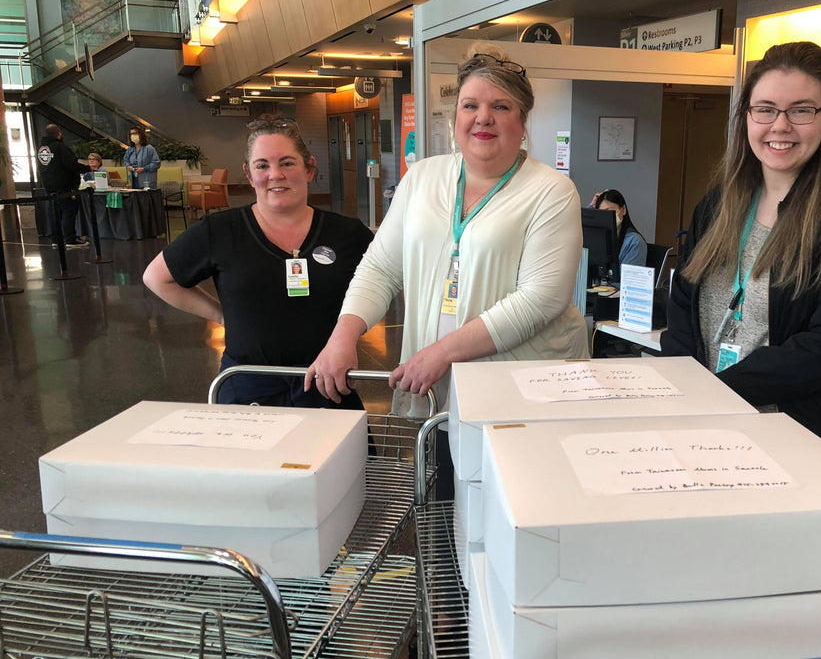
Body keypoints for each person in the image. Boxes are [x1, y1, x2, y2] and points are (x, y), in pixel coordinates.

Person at [306, 43, 589, 418]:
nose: (482, 118)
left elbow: (540, 299)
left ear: (523, 122)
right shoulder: (424, 177)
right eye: (470, 105)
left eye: (500, 107)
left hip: (522, 389)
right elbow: (381, 267)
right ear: (456, 115)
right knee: (440, 471)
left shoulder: (550, 190)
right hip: (437, 383)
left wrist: (442, 352)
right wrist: (343, 335)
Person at [661, 41, 821, 472]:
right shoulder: (719, 204)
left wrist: (717, 390)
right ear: (746, 115)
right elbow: (683, 305)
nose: (779, 126)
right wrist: (686, 387)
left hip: (807, 433)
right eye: (765, 109)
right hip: (716, 420)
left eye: (801, 110)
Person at [142, 117, 374, 409]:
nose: (275, 174)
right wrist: (221, 314)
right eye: (262, 165)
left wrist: (349, 334)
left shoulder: (347, 234)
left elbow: (386, 282)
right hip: (248, 387)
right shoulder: (221, 230)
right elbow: (157, 277)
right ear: (249, 175)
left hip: (327, 386)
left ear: (309, 168)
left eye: (287, 163)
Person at [36, 124, 90, 248]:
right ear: (59, 133)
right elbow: (71, 164)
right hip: (64, 186)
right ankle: (70, 239)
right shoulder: (59, 147)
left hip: (49, 186)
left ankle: (56, 239)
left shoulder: (41, 149)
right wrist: (87, 168)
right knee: (68, 211)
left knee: (55, 213)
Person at [591, 188, 647, 270]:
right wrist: (591, 207)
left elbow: (628, 280)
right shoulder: (600, 239)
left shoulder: (634, 242)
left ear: (623, 210)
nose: (606, 217)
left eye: (609, 212)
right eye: (602, 213)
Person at [124, 125, 160, 190]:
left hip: (147, 181)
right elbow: (126, 160)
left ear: (140, 135)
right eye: (131, 134)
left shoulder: (149, 148)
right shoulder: (130, 149)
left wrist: (144, 168)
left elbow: (156, 163)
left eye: (135, 133)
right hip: (134, 180)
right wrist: (128, 166)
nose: (132, 135)